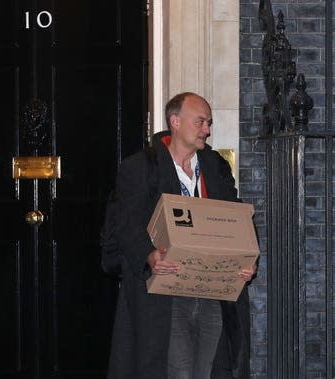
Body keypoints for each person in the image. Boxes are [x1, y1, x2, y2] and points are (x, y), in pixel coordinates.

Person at [106, 92, 256, 379]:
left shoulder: (214, 165)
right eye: (200, 122)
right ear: (175, 121)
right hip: (166, 294)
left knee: (209, 370)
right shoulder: (140, 167)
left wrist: (248, 259)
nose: (207, 130)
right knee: (178, 371)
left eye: (209, 123)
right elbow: (126, 224)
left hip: (212, 291)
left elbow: (237, 216)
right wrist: (148, 255)